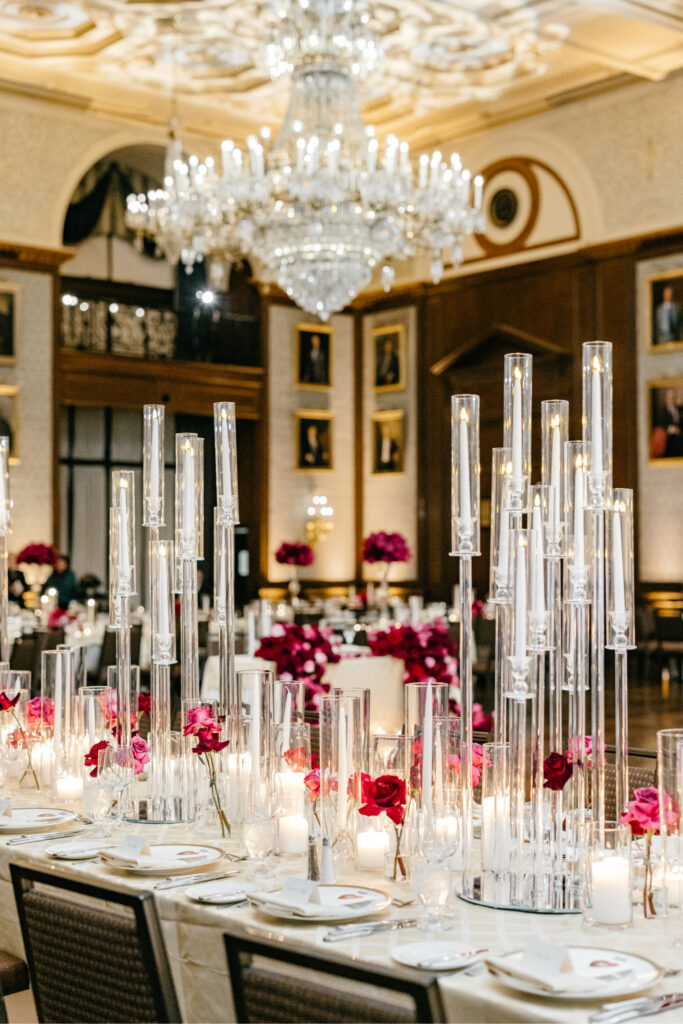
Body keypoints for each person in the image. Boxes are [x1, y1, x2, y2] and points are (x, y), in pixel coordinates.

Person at [658, 387, 683, 458]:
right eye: (670, 398)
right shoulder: (663, 411)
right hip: (669, 437)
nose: (672, 400)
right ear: (666, 399)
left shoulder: (680, 408)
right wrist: (673, 429)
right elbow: (662, 425)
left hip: (680, 434)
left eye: (673, 397)